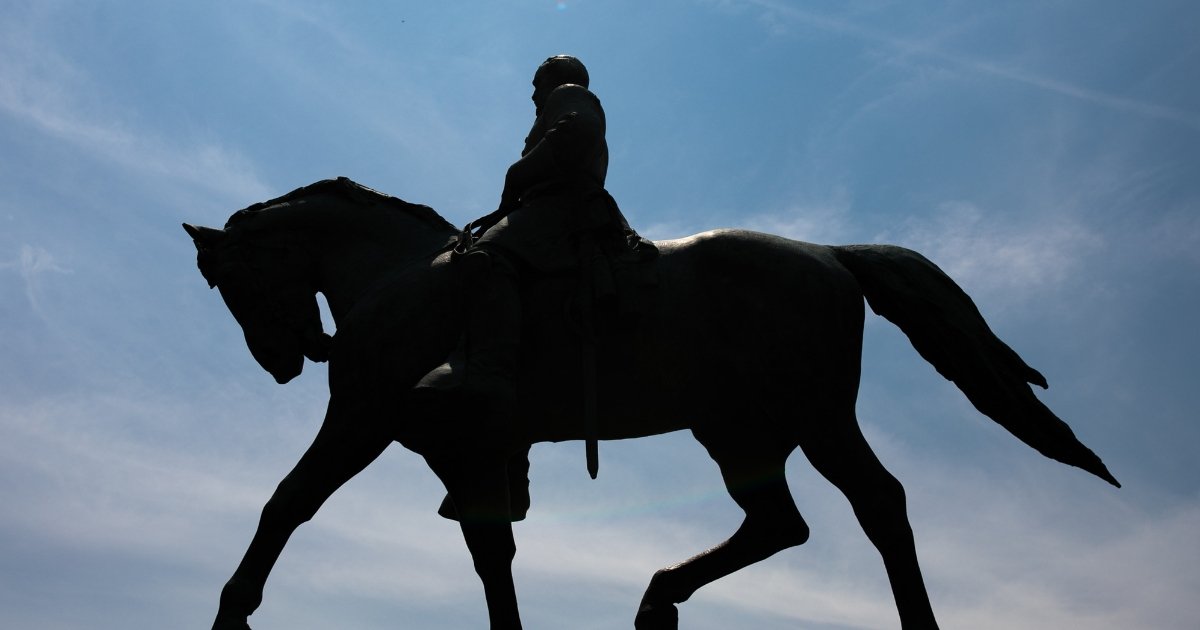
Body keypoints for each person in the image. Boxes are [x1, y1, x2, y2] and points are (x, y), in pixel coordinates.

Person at [432, 55, 651, 522]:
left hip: (562, 211)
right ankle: (512, 471)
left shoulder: (567, 95)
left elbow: (581, 131)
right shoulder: (556, 101)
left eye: (536, 82)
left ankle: (489, 369)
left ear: (554, 80)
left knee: (481, 260)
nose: (533, 94)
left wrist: (520, 172)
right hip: (553, 211)